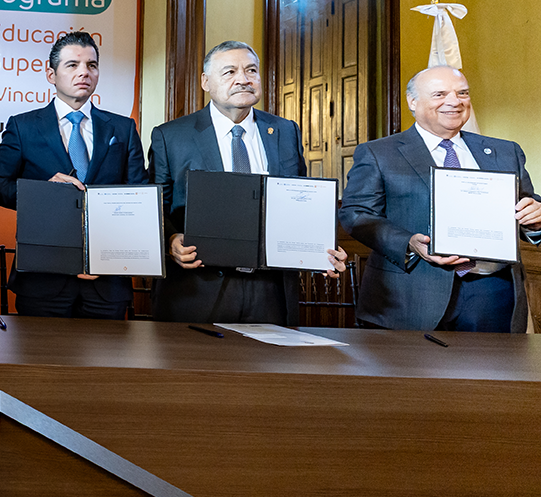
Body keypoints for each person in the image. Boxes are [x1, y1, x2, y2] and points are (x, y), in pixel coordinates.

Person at [147, 40, 345, 325]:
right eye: (229, 72)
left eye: (251, 70)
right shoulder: (171, 136)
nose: (243, 79)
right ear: (205, 82)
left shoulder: (285, 131)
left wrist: (322, 248)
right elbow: (155, 207)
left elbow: (300, 203)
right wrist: (170, 241)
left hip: (270, 291)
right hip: (196, 289)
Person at [339, 65, 541, 332]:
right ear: (413, 102)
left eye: (462, 93)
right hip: (410, 294)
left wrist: (535, 219)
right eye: (440, 94)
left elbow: (526, 206)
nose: (454, 101)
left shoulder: (505, 151)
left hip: (492, 294)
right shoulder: (378, 153)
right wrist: (409, 243)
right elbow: (356, 214)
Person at [0, 31, 146, 318]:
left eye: (92, 65)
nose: (84, 72)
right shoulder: (23, 127)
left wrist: (106, 259)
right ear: (51, 74)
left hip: (106, 279)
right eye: (72, 65)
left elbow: (139, 196)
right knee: (40, 348)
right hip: (42, 277)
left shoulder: (123, 129)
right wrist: (42, 193)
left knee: (105, 349)